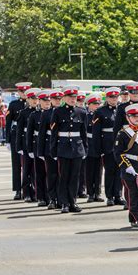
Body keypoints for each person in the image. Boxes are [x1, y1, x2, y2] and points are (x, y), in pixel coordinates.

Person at [50, 85, 88, 213]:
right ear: (64, 98)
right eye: (70, 97)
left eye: (74, 97)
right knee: (64, 176)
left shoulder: (81, 112)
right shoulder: (57, 112)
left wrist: (85, 149)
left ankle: (73, 202)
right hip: (63, 147)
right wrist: (53, 150)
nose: (73, 99)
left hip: (77, 147)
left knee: (75, 176)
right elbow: (54, 132)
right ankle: (64, 203)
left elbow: (84, 133)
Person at [93, 87, 126, 207]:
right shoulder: (100, 111)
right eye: (111, 97)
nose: (114, 99)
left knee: (120, 171)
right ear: (106, 98)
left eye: (116, 97)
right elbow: (96, 132)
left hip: (121, 144)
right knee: (109, 171)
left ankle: (118, 195)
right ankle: (110, 196)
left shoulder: (122, 109)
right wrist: (99, 149)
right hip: (107, 145)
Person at [37, 89, 63, 209]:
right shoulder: (46, 114)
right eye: (55, 99)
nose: (57, 101)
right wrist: (40, 151)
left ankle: (62, 199)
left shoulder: (65, 112)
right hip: (49, 148)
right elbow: (42, 134)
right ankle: (52, 198)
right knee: (52, 174)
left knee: (63, 175)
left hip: (64, 147)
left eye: (59, 99)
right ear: (51, 100)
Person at [5, 82, 32, 200]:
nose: (24, 94)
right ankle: (17, 190)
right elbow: (8, 123)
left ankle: (30, 189)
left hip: (30, 136)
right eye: (22, 92)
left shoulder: (33, 104)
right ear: (18, 93)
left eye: (26, 92)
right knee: (16, 165)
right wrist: (7, 140)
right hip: (16, 136)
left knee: (29, 165)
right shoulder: (13, 104)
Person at [26, 90, 51, 207]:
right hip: (38, 146)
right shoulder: (34, 115)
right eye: (45, 101)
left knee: (51, 173)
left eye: (48, 101)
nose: (47, 103)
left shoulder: (53, 113)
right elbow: (29, 134)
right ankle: (41, 197)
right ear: (40, 101)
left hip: (51, 146)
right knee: (40, 173)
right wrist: (30, 149)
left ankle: (51, 196)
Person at [16, 88, 40, 202]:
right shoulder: (24, 113)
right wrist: (19, 147)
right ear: (28, 100)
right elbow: (19, 131)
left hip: (37, 144)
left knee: (36, 171)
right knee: (27, 170)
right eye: (32, 99)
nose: (35, 101)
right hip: (26, 145)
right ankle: (26, 193)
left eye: (36, 99)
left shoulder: (40, 113)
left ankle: (36, 192)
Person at [84, 93, 104, 203]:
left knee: (99, 171)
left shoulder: (100, 116)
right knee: (89, 171)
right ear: (89, 105)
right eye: (94, 104)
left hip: (99, 145)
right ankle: (90, 193)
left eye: (98, 104)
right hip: (89, 145)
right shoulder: (86, 116)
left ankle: (98, 193)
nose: (97, 106)